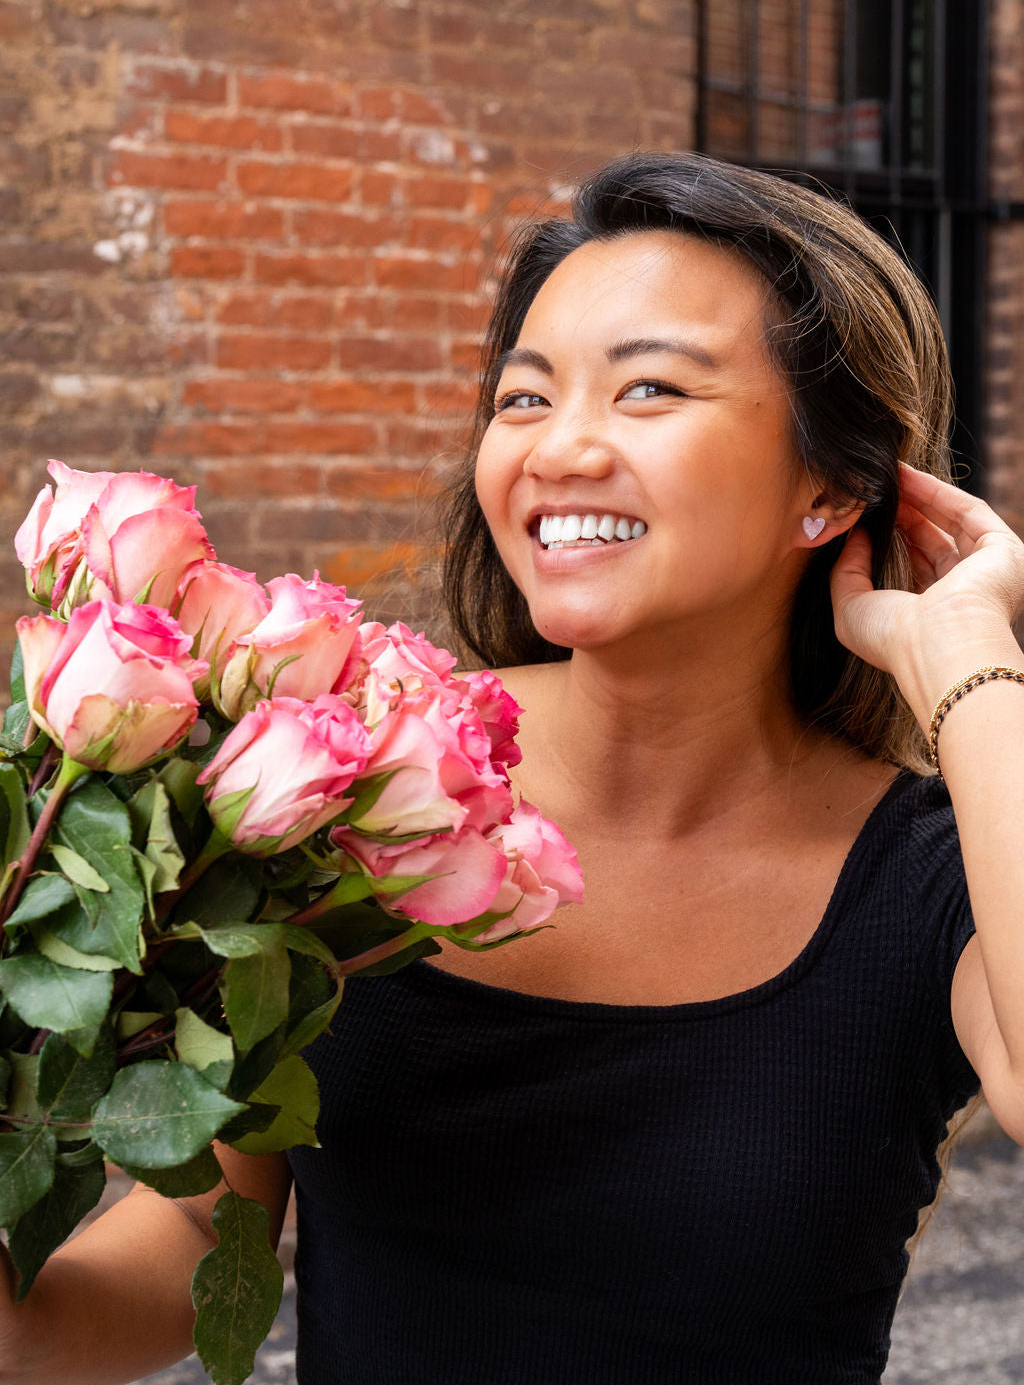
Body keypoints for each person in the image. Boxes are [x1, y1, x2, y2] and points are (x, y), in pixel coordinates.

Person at [3, 151, 1024, 1384]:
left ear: (833, 486)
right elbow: (191, 1237)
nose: (559, 449)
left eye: (648, 389)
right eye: (525, 397)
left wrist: (968, 658)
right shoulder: (345, 775)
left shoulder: (930, 875)